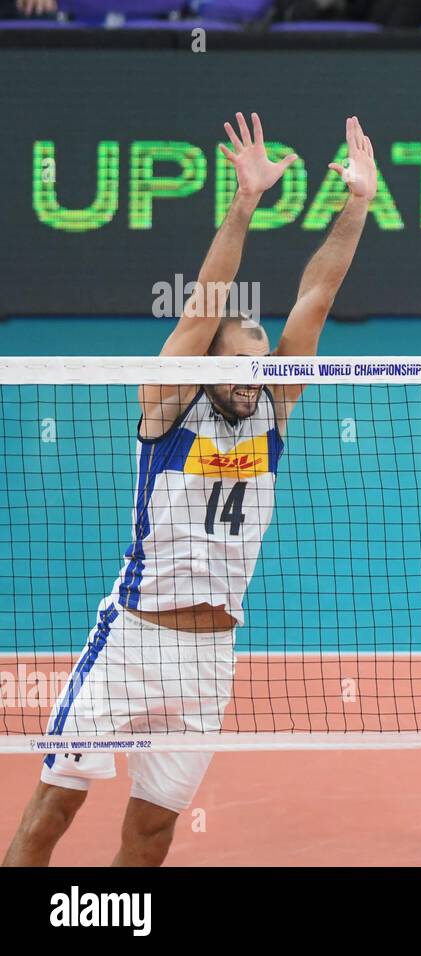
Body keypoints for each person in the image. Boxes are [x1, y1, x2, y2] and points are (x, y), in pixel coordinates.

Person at [3, 114, 378, 867]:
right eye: (242, 360)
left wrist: (358, 202)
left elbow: (317, 295)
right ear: (208, 365)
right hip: (132, 643)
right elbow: (207, 301)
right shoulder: (169, 406)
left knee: (151, 836)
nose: (257, 370)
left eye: (263, 358)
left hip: (212, 658)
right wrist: (243, 205)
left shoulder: (272, 408)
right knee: (54, 811)